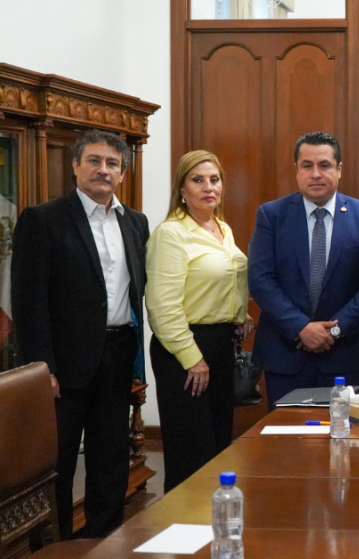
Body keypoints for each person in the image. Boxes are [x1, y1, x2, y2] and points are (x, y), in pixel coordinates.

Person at [11, 130, 149, 538]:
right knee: (57, 462)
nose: (102, 170)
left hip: (117, 355)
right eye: (93, 160)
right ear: (75, 166)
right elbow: (28, 302)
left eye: (112, 163)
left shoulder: (135, 223)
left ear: (122, 173)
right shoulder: (43, 219)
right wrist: (42, 369)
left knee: (110, 458)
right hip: (62, 364)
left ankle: (104, 541)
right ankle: (53, 546)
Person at [146, 150, 254, 492]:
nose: (209, 187)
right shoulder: (171, 233)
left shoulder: (221, 228)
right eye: (198, 180)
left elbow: (220, 280)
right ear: (182, 189)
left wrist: (239, 314)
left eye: (214, 179)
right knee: (192, 452)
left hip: (220, 346)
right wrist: (192, 359)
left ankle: (214, 520)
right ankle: (182, 522)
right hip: (185, 350)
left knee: (218, 446)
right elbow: (162, 307)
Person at [249, 132, 359, 408]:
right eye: (307, 165)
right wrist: (300, 327)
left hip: (344, 356)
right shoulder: (272, 215)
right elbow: (260, 280)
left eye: (324, 165)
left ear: (339, 169)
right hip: (285, 355)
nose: (315, 173)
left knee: (343, 433)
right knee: (286, 434)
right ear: (296, 169)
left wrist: (333, 332)